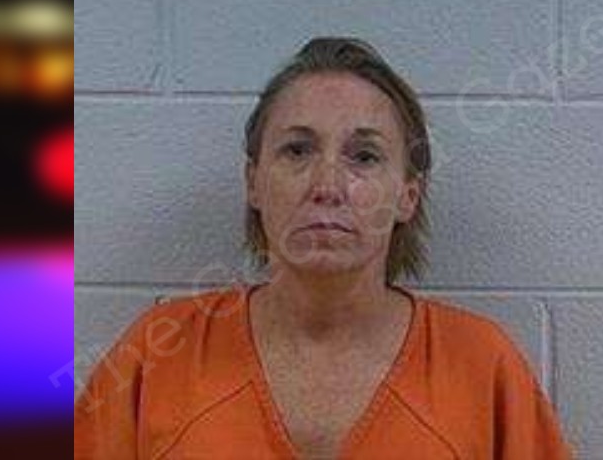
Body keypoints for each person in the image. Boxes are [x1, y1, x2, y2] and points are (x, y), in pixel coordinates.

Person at [74, 37, 573, 459]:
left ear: (407, 195)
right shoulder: (159, 353)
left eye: (364, 156)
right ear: (254, 182)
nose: (327, 185)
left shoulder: (482, 365)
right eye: (297, 150)